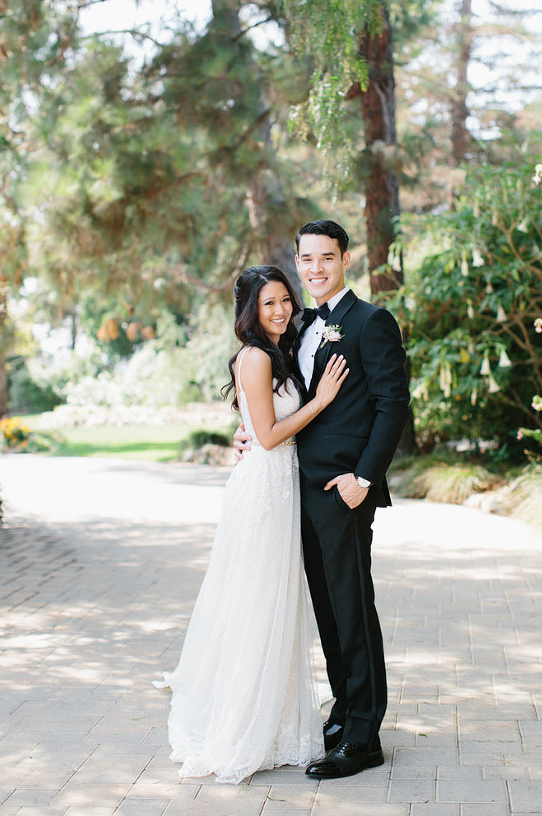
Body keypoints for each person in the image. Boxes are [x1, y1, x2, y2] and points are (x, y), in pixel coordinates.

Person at [155, 265, 348, 784]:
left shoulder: (277, 352)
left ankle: (277, 719)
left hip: (280, 487)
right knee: (256, 603)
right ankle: (242, 727)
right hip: (263, 490)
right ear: (250, 311)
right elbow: (265, 436)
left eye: (286, 300)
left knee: (276, 605)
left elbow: (256, 427)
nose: (282, 310)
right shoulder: (257, 356)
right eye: (269, 304)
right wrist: (322, 401)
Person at [236, 219, 410, 779]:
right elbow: (273, 397)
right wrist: (247, 432)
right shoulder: (301, 323)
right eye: (306, 260)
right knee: (329, 612)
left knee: (353, 609)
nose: (316, 269)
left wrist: (364, 476)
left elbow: (391, 405)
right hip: (296, 490)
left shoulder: (370, 322)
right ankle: (344, 711)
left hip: (343, 492)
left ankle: (364, 737)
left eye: (327, 259)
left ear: (346, 260)